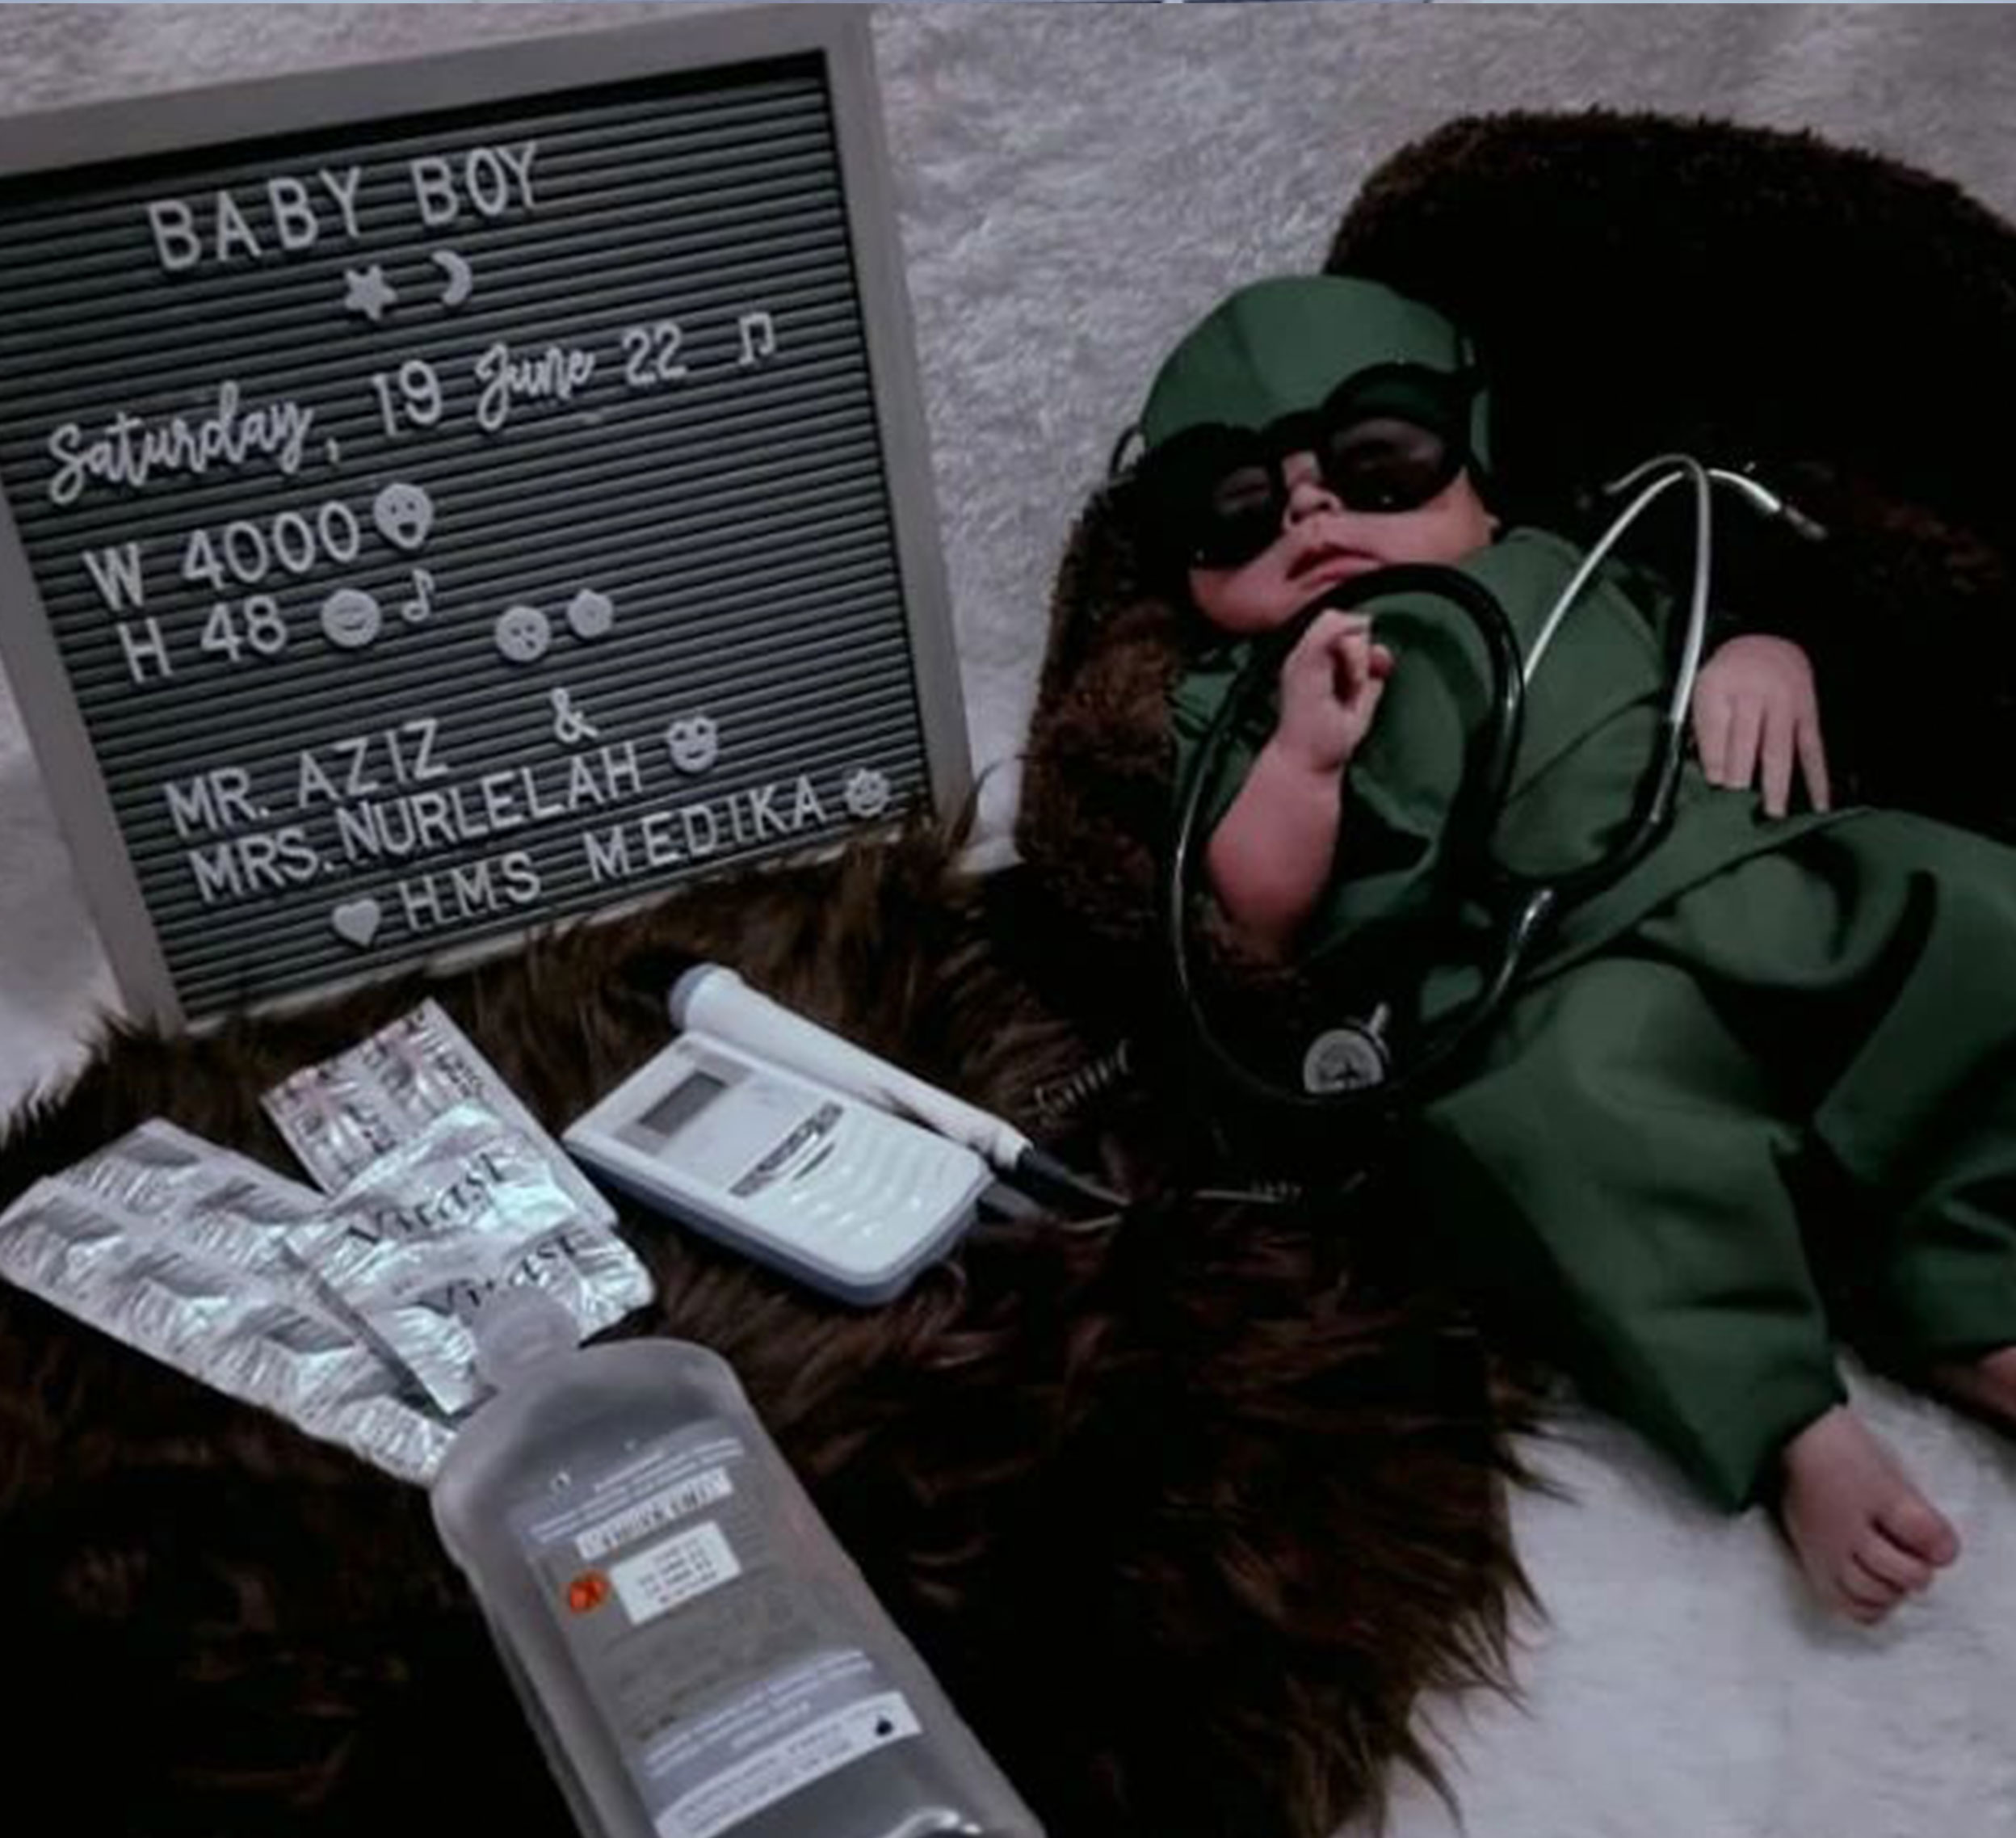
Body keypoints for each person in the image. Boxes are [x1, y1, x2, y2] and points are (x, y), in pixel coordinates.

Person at [1129, 273, 2016, 1624]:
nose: (1311, 518)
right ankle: (1790, 1421)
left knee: (1982, 918)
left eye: (1378, 462)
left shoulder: (1576, 560)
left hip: (1766, 878)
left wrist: (1762, 653)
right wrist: (1305, 757)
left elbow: (1717, 613)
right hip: (1560, 981)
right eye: (1240, 510)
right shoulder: (1243, 694)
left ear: (1481, 467)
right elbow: (1252, 920)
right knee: (1551, 1130)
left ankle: (1968, 1282)